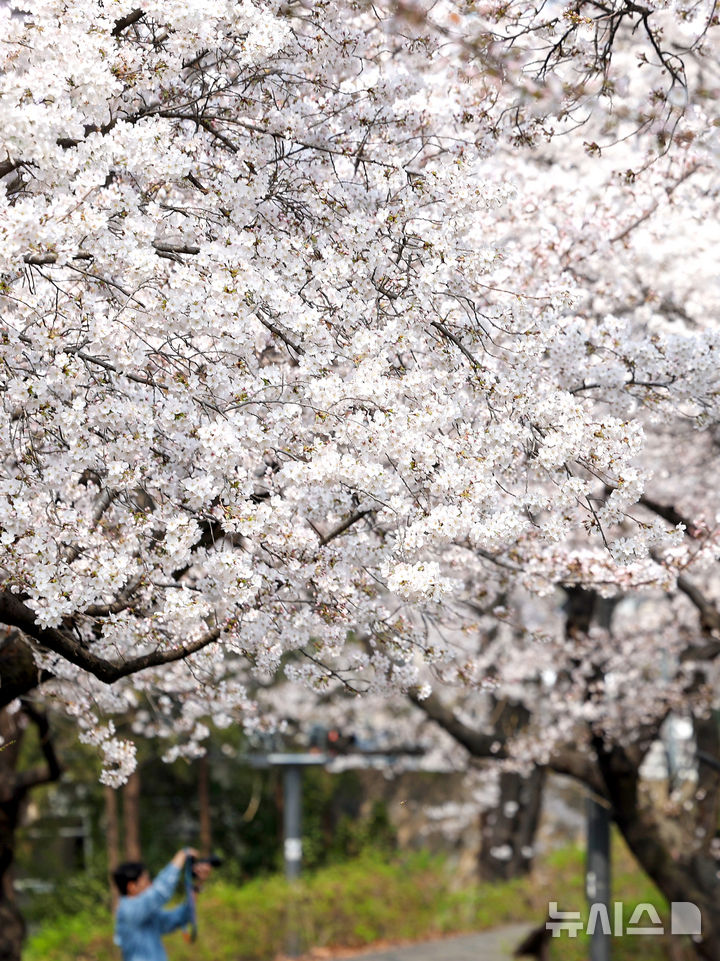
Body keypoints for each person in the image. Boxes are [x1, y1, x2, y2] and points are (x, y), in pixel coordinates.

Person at [113, 848, 212, 961]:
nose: (150, 884)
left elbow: (178, 918)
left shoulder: (146, 915)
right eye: (145, 880)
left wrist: (196, 885)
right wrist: (181, 856)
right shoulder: (128, 911)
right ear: (132, 887)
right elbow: (160, 892)